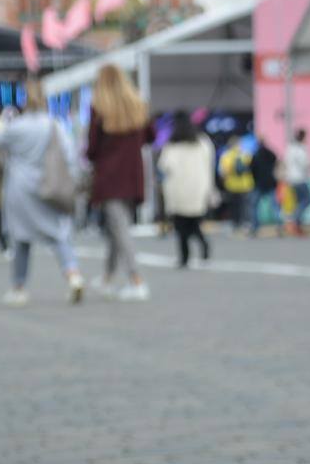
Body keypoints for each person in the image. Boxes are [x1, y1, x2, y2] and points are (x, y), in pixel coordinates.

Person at [0, 82, 84, 306]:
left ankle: (18, 288)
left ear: (24, 101)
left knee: (21, 239)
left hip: (19, 189)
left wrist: (3, 121)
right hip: (47, 186)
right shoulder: (54, 125)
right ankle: (73, 275)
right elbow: (69, 155)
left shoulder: (16, 126)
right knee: (58, 235)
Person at [86, 62, 153, 301]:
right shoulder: (137, 105)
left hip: (109, 177)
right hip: (133, 175)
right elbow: (151, 136)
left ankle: (136, 280)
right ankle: (108, 277)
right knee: (117, 226)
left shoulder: (99, 108)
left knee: (120, 228)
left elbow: (92, 149)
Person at [157, 112, 216, 268]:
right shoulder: (202, 141)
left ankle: (184, 258)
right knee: (195, 223)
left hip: (177, 190)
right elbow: (209, 165)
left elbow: (164, 166)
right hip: (198, 188)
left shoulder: (171, 145)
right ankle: (204, 246)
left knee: (181, 227)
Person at [217, 134, 257, 234]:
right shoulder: (246, 154)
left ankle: (236, 224)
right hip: (246, 185)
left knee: (234, 207)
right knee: (246, 207)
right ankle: (247, 225)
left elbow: (223, 172)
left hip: (231, 186)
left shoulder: (226, 156)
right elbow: (253, 169)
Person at [281, 127, 310, 235]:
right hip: (300, 179)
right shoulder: (302, 149)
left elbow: (285, 162)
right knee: (307, 200)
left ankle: (298, 225)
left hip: (291, 179)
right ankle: (295, 220)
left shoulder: (289, 148)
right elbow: (305, 164)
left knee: (299, 202)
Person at [251, 136, 280, 233]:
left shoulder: (255, 155)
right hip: (270, 182)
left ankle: (255, 227)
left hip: (259, 183)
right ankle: (279, 225)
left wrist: (255, 180)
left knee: (254, 206)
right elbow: (276, 160)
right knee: (275, 205)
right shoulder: (270, 153)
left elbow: (252, 170)